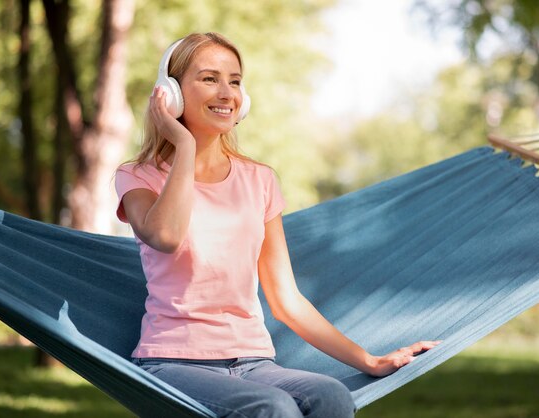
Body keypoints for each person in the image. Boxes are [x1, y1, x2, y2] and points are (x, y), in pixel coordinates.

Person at [115, 32, 440, 418]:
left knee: (332, 397)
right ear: (171, 92)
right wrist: (183, 146)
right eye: (209, 79)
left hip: (255, 362)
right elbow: (165, 237)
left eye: (234, 81)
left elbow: (286, 300)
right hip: (174, 362)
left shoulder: (260, 180)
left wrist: (369, 361)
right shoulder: (138, 176)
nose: (226, 92)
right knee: (274, 408)